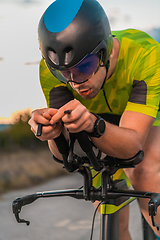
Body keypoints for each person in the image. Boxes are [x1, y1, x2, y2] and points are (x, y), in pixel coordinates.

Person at [28, 0, 160, 239]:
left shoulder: (146, 53)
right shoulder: (53, 73)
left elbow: (132, 145)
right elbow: (64, 155)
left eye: (84, 67)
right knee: (109, 212)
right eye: (62, 72)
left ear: (105, 50)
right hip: (95, 122)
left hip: (143, 116)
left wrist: (91, 124)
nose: (74, 81)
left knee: (146, 171)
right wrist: (52, 132)